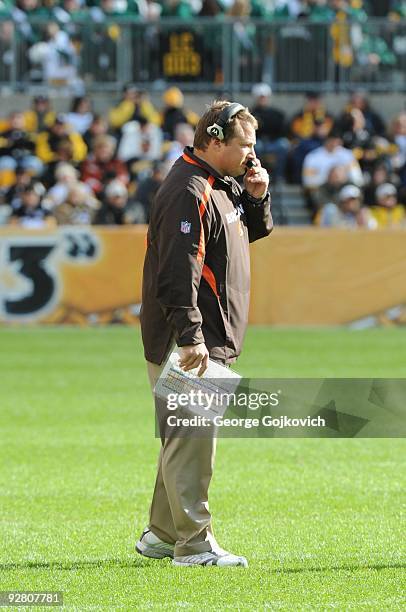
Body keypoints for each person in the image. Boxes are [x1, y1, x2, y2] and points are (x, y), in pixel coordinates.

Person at [137, 101, 272, 568]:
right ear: (215, 141)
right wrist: (190, 337)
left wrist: (256, 197)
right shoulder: (188, 189)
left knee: (182, 437)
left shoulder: (224, 184)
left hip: (210, 333)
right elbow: (177, 271)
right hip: (191, 336)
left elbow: (237, 241)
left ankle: (161, 534)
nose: (253, 155)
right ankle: (193, 544)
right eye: (245, 146)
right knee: (193, 439)